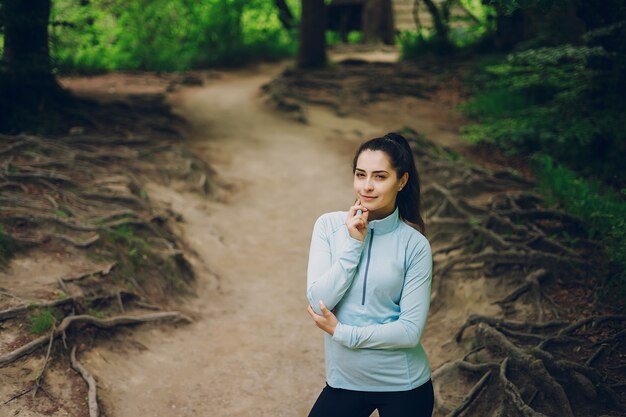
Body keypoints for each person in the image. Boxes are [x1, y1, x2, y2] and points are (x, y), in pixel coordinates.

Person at [306, 132, 434, 417]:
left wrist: (343, 333)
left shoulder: (415, 246)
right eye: (360, 174)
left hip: (405, 385)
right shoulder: (329, 227)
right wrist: (353, 243)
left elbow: (410, 332)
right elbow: (319, 302)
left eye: (379, 177)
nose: (366, 186)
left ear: (401, 181)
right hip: (343, 382)